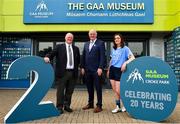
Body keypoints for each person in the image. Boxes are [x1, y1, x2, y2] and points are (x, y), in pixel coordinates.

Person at [44, 33, 80, 114]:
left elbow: (78, 61)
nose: (69, 38)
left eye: (71, 37)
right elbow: (52, 53)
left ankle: (67, 106)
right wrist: (47, 57)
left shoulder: (76, 48)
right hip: (63, 73)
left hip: (72, 73)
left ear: (72, 39)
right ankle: (59, 107)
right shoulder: (59, 47)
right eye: (68, 37)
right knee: (60, 91)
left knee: (69, 91)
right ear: (65, 38)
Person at [107, 33, 135, 113]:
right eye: (115, 38)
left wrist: (125, 63)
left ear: (121, 39)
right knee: (115, 90)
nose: (116, 39)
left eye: (118, 38)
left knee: (119, 90)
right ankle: (118, 106)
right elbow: (112, 60)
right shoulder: (114, 49)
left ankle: (126, 105)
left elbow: (132, 57)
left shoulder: (125, 48)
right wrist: (109, 69)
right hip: (112, 69)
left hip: (119, 70)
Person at [81, 29, 106, 113]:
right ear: (89, 35)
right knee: (89, 88)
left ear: (96, 34)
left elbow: (102, 56)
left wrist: (100, 68)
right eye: (90, 34)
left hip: (96, 70)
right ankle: (90, 104)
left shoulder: (101, 43)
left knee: (98, 88)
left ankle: (99, 105)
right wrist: (82, 67)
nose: (92, 35)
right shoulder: (86, 44)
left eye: (93, 34)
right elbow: (83, 56)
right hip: (87, 70)